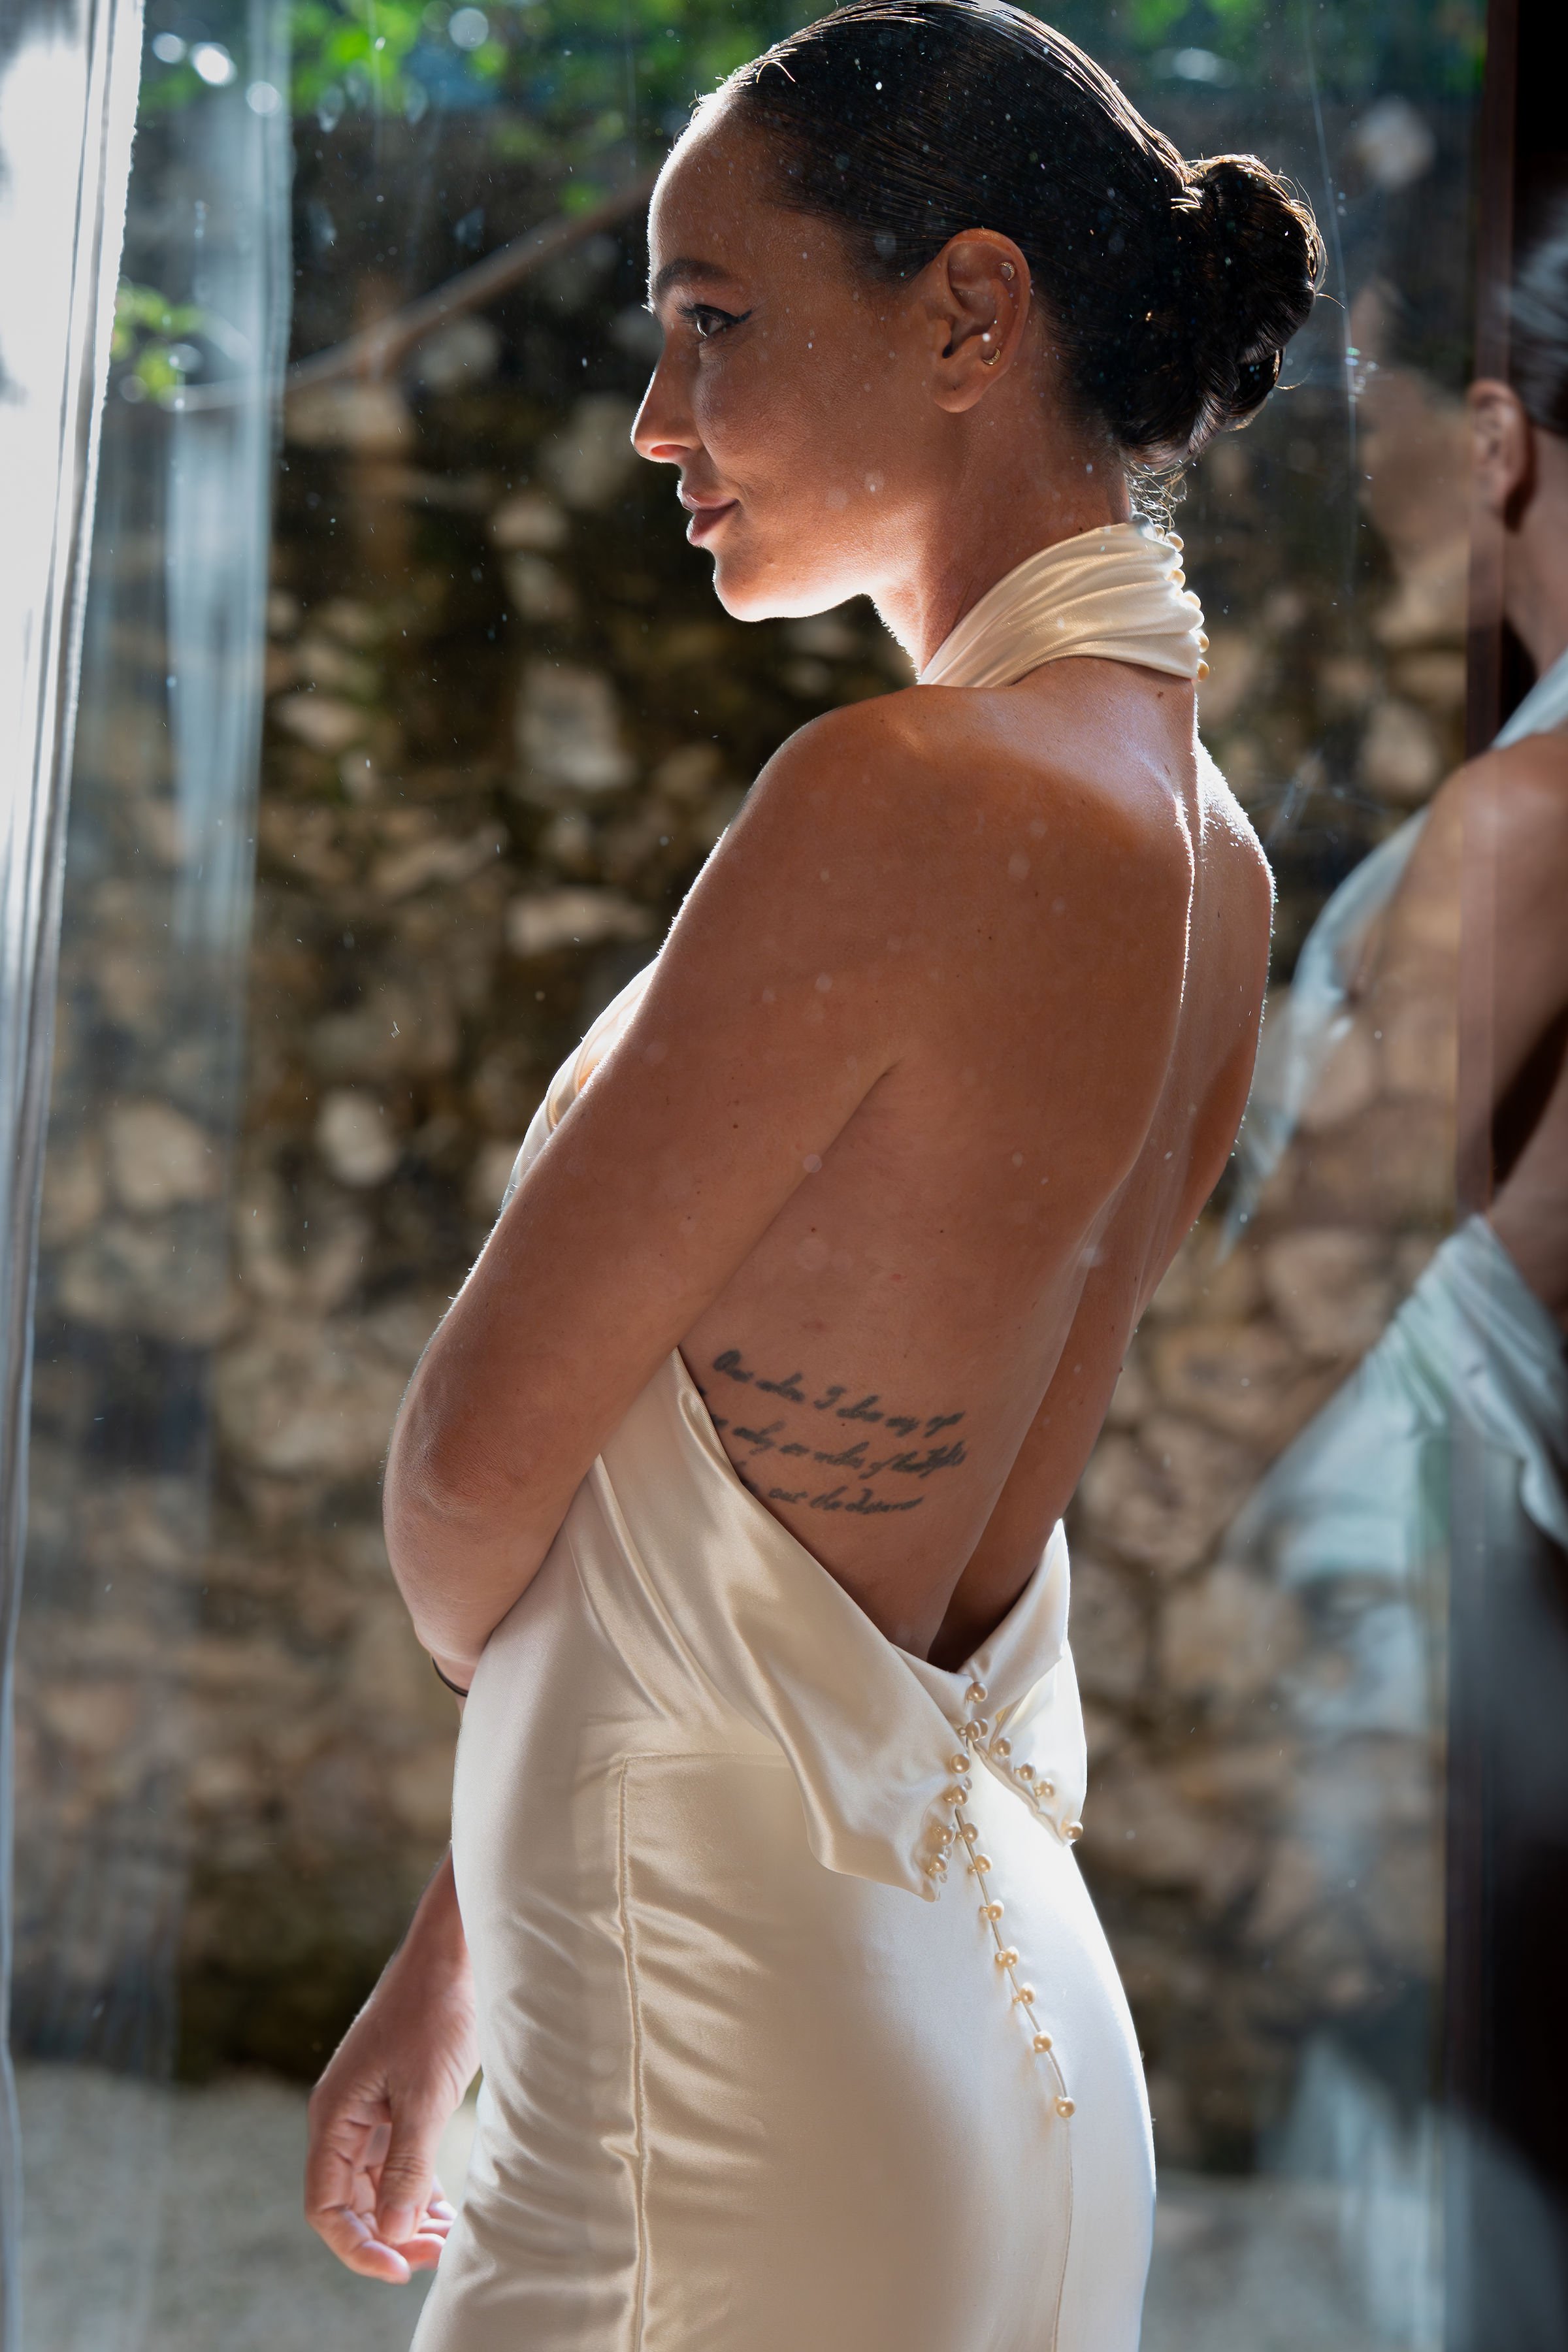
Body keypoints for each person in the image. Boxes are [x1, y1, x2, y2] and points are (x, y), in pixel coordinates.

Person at [302, 7, 1318, 2344]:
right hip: (991, 2053)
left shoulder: (901, 801)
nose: (658, 418)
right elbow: (857, 1563)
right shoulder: (1219, 865)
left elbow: (480, 1480)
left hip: (738, 2097)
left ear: (970, 314)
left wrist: (537, 1759)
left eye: (713, 323)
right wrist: (470, 1941)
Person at [1219, 207, 1568, 2348]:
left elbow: (1313, 1278)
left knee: (1425, 2218)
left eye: (1383, 408)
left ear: (1507, 437)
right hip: (1479, 1582)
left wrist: (1016, 1578)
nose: (1359, 452)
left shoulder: (1529, 829)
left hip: (1427, 1586)